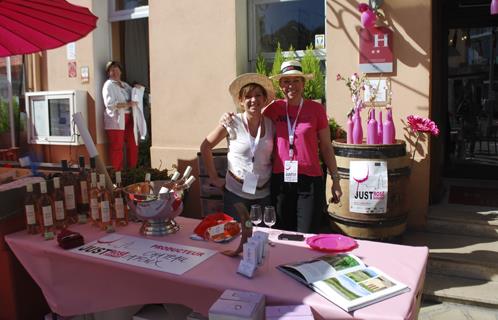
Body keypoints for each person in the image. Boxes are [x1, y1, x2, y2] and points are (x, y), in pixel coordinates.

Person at [222, 60, 342, 233]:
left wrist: (335, 180)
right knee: (281, 232)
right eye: (286, 81)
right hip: (280, 181)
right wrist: (226, 117)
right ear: (280, 85)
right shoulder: (273, 109)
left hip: (310, 181)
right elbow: (250, 117)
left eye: (296, 81)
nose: (291, 85)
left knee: (307, 232)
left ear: (303, 83)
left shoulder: (316, 110)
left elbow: (326, 147)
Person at [200, 73, 275, 220]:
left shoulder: (271, 124)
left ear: (265, 99)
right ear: (240, 101)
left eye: (258, 95)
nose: (253, 100)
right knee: (235, 237)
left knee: (264, 237)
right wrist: (214, 178)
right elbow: (205, 146)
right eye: (248, 96)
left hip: (264, 194)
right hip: (236, 194)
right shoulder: (232, 122)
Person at [102, 61, 146, 171]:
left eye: (117, 69)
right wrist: (127, 104)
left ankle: (133, 171)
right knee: (117, 147)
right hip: (116, 120)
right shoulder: (108, 85)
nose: (115, 72)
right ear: (108, 73)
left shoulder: (125, 85)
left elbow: (135, 95)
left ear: (121, 71)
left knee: (133, 144)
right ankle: (118, 175)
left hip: (129, 118)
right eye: (112, 70)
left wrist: (138, 88)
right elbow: (110, 105)